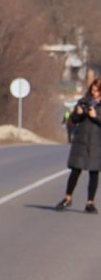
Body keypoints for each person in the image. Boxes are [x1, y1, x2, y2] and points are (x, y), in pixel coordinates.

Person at [59, 76, 101, 212]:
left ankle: (90, 203)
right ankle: (67, 197)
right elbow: (73, 120)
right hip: (81, 141)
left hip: (97, 142)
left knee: (94, 172)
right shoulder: (83, 101)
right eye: (93, 90)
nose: (94, 93)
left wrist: (96, 117)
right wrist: (78, 114)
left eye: (97, 91)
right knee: (75, 170)